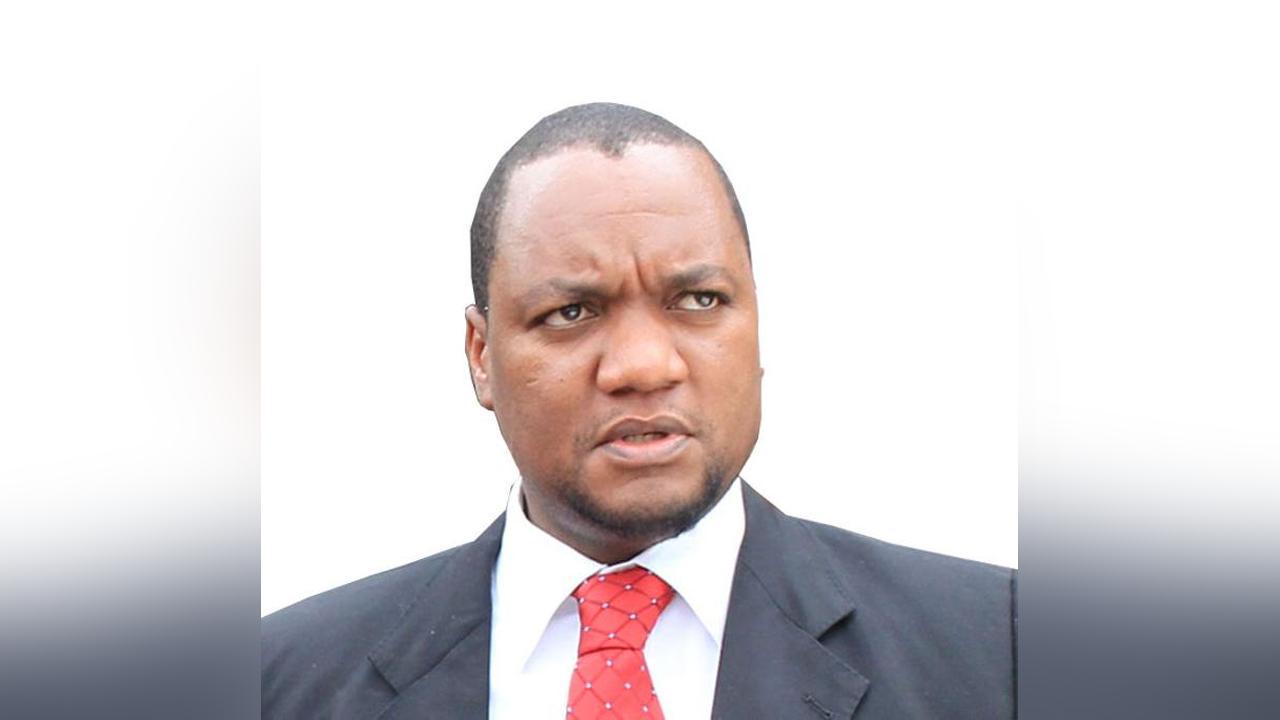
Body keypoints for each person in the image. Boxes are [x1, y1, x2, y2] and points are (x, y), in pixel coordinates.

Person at [262, 103, 1016, 719]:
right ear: (481, 354)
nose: (644, 366)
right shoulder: (280, 683)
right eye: (571, 312)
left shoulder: (1007, 654)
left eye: (700, 300)